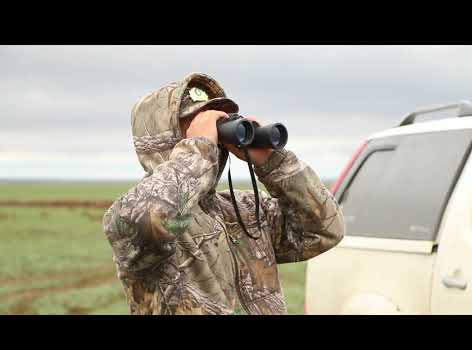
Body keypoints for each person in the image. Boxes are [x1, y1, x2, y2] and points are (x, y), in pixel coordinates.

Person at [102, 72, 345, 315]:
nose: (215, 130)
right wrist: (198, 150)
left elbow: (324, 229)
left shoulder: (245, 211)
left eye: (218, 121)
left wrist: (273, 162)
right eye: (196, 121)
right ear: (163, 135)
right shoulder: (127, 215)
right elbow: (152, 218)